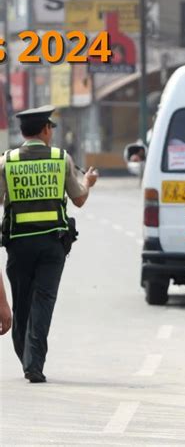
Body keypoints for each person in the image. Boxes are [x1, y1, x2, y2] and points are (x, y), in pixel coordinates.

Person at [0, 105, 98, 383]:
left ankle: (26, 359)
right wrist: (88, 181)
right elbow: (79, 199)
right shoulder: (60, 158)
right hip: (52, 244)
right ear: (45, 129)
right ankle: (35, 362)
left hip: (18, 244)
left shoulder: (7, 161)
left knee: (21, 303)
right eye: (50, 128)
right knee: (44, 300)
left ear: (22, 132)